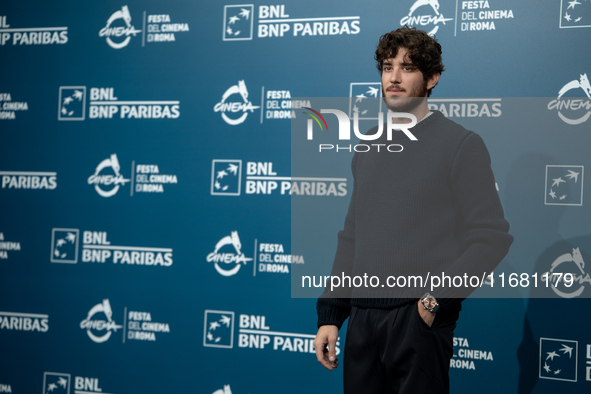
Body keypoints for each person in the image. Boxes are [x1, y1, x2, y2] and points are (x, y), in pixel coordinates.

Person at [313, 27, 513, 394]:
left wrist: (436, 300)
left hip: (418, 320)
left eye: (407, 68)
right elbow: (352, 235)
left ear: (432, 78)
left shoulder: (460, 145)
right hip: (362, 319)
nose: (393, 77)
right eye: (388, 67)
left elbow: (491, 238)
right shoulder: (369, 145)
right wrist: (332, 314)